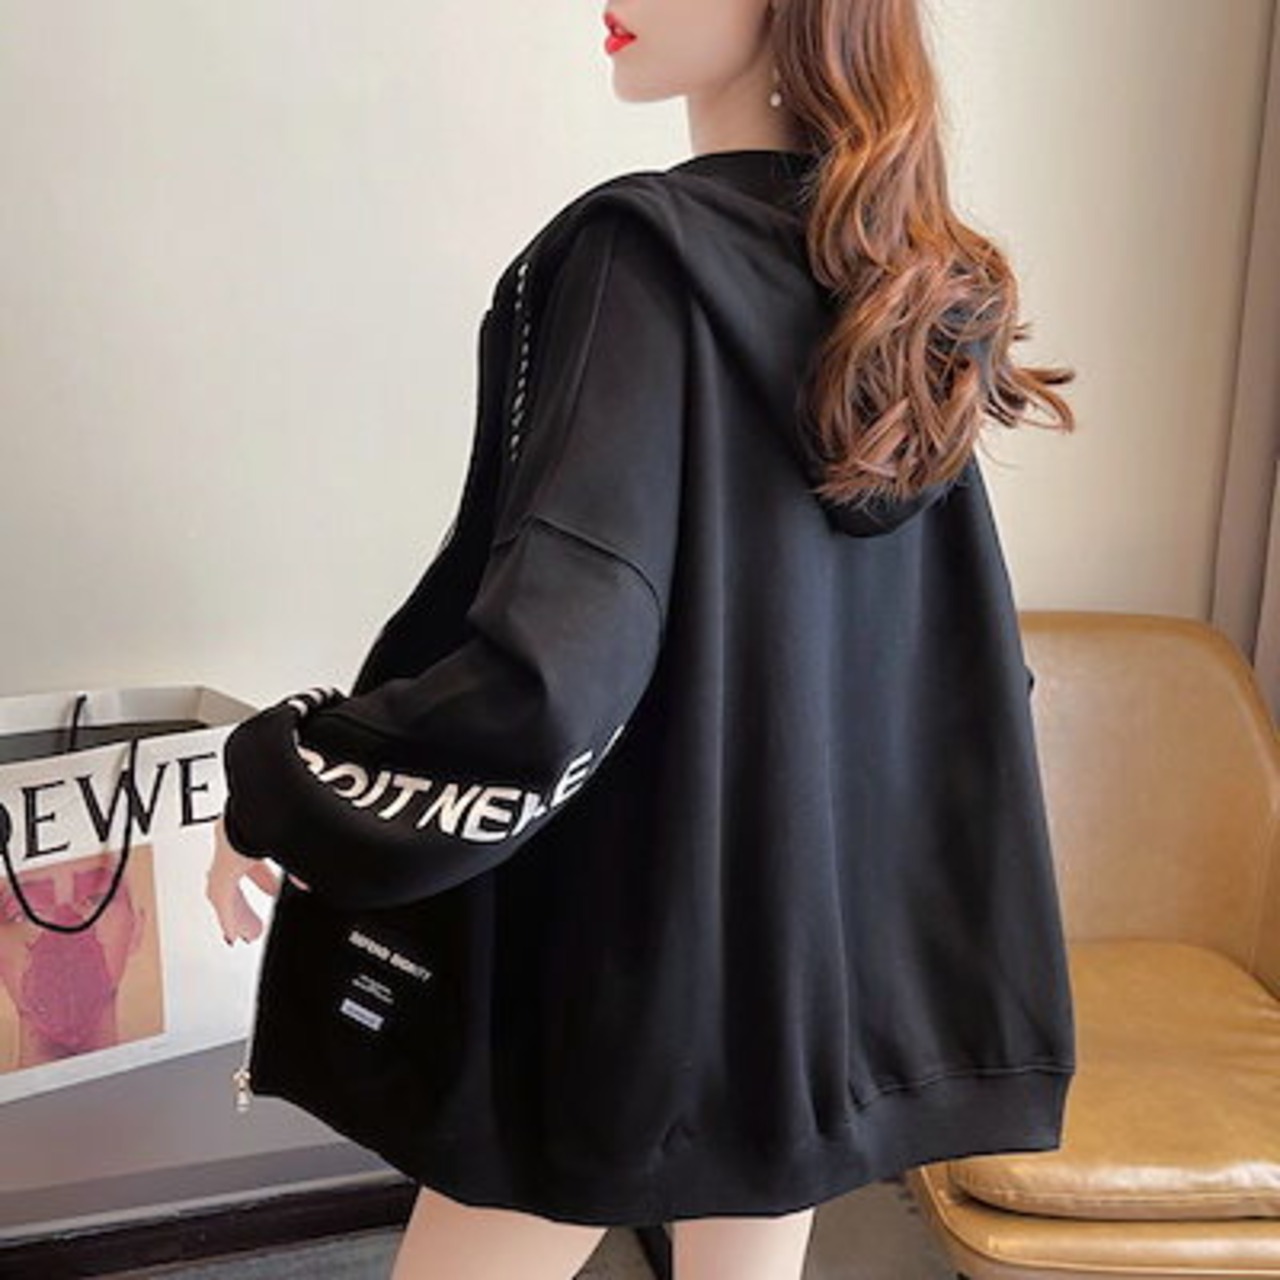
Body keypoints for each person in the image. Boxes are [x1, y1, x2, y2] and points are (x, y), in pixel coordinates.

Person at [206, 1, 1079, 1277]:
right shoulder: (901, 281)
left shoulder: (644, 254)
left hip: (633, 957)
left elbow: (551, 674)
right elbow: (959, 665)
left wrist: (286, 778)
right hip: (807, 964)